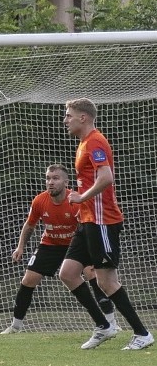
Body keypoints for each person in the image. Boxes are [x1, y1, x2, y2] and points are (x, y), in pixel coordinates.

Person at [58, 98, 153, 350]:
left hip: (102, 221)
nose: (65, 120)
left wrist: (81, 198)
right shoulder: (83, 143)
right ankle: (105, 326)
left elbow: (106, 177)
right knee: (67, 273)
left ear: (83, 118)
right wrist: (82, 207)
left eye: (68, 115)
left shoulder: (96, 141)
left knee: (106, 281)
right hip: (87, 219)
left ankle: (142, 334)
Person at [2, 164, 117, 334]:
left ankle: (110, 321)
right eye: (48, 178)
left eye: (55, 178)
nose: (50, 182)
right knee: (28, 280)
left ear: (66, 182)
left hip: (76, 245)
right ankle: (15, 326)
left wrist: (93, 252)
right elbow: (30, 225)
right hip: (50, 244)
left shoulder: (75, 200)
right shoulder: (39, 201)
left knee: (93, 275)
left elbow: (88, 227)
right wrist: (20, 247)